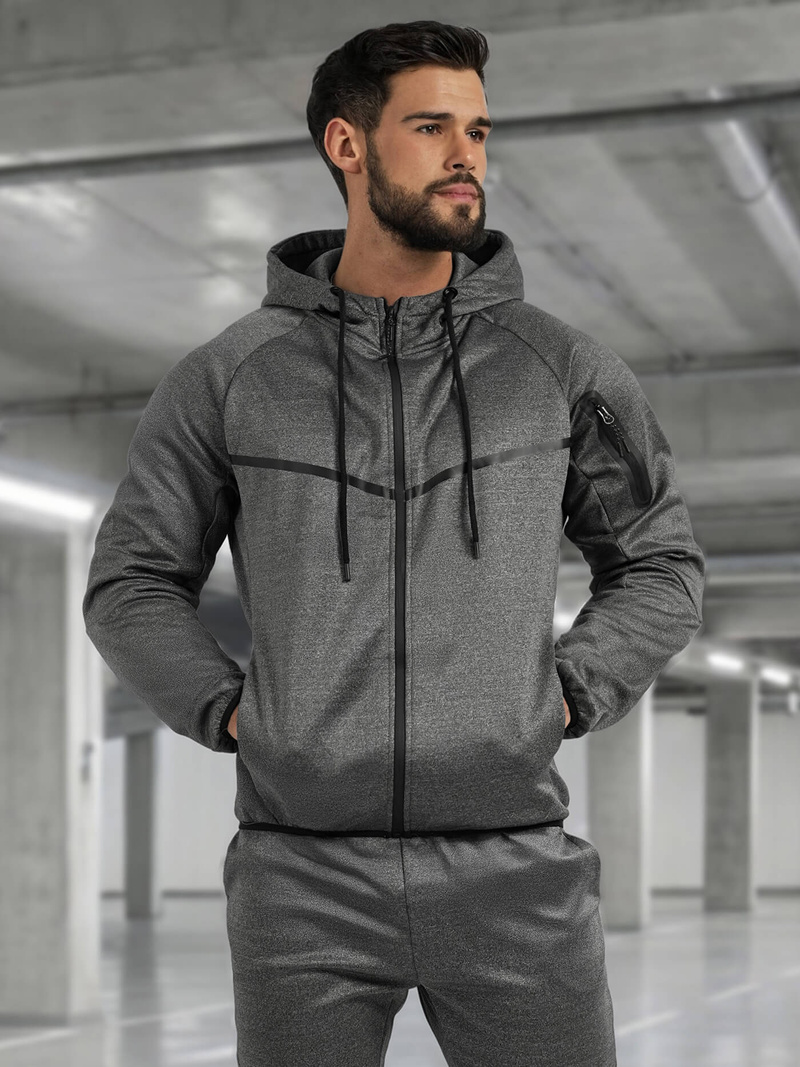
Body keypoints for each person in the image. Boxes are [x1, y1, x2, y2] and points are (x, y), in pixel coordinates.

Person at [82, 19, 706, 1067]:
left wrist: (566, 690)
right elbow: (131, 580)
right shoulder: (231, 377)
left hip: (515, 869)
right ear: (348, 143)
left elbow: (659, 560)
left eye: (477, 130)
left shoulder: (559, 369)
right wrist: (234, 709)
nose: (466, 156)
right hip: (301, 881)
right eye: (430, 127)